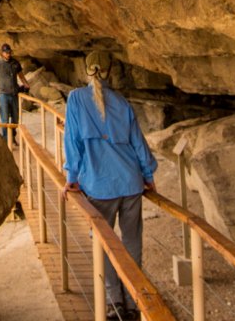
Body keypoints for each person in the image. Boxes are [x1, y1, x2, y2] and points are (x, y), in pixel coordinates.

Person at [63, 50, 157, 321]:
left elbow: (73, 142)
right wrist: (148, 174)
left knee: (104, 244)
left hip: (98, 184)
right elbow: (138, 143)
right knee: (132, 243)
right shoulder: (122, 102)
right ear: (109, 70)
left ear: (87, 70)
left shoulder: (76, 99)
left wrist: (71, 178)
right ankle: (133, 301)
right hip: (130, 183)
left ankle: (114, 303)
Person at [0, 43, 27, 146]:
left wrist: (26, 84)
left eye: (9, 52)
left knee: (15, 118)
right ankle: (6, 140)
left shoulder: (15, 63)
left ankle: (12, 137)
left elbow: (21, 76)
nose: (8, 54)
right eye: (6, 52)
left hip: (14, 94)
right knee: (4, 118)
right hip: (3, 94)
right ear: (2, 53)